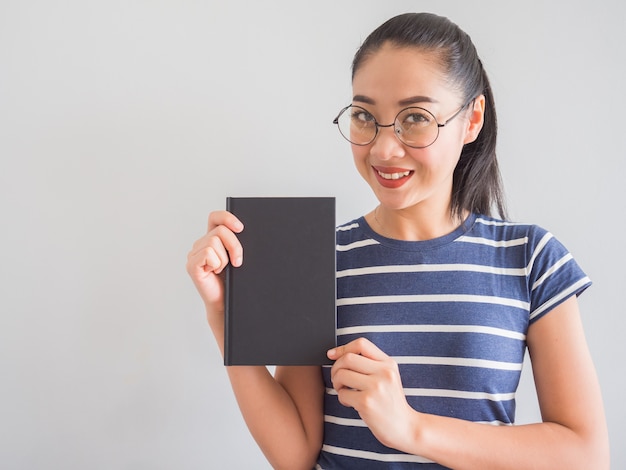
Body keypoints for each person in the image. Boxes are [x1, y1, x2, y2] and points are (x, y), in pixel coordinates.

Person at [186, 12, 609, 469]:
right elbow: (294, 455)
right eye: (365, 116)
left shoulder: (530, 258)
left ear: (472, 120)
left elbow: (583, 455)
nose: (384, 149)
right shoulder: (319, 258)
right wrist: (225, 316)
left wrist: (410, 428)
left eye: (416, 118)